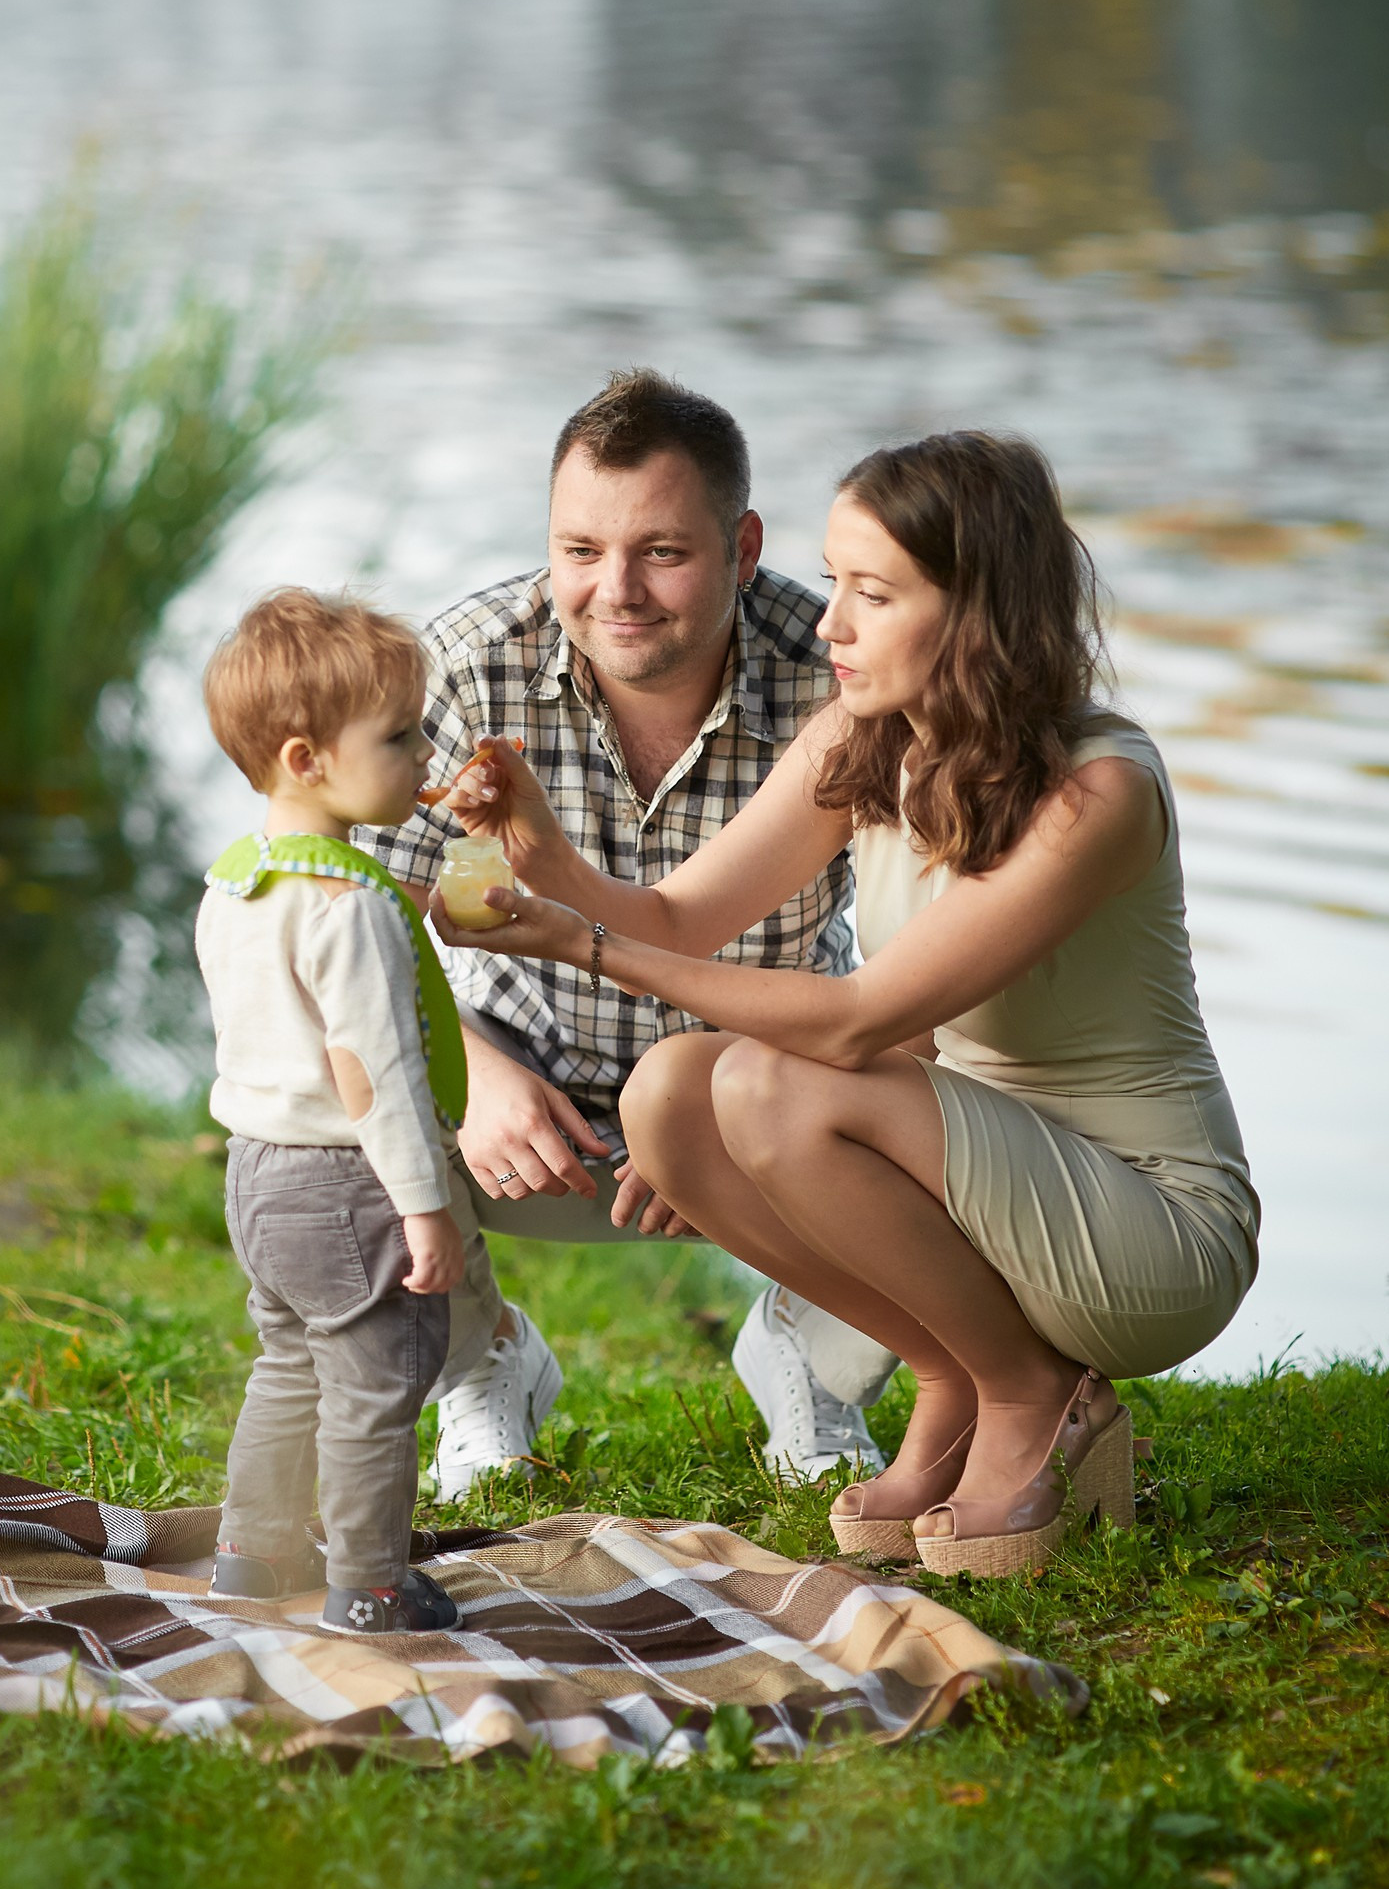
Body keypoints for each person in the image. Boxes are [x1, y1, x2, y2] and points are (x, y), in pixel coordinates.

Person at [431, 430, 1260, 1580]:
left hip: (1141, 1226)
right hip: (966, 1182)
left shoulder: (1097, 792)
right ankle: (952, 1372)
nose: (828, 626)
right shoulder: (867, 739)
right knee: (669, 1093)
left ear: (977, 612)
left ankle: (1027, 1389)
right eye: (834, 584)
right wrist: (544, 856)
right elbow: (675, 916)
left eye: (872, 594)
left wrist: (584, 944)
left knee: (767, 1081)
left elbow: (858, 1021)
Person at [364, 372, 896, 1497]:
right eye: (580, 550)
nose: (616, 592)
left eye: (662, 552)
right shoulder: (466, 662)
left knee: (964, 1084)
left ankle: (814, 1358)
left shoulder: (841, 675)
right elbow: (364, 913)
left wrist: (702, 1102)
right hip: (530, 1094)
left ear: (742, 547)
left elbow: (917, 960)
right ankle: (482, 1361)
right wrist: (478, 1071)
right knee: (331, 1080)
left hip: (765, 1095)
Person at [195, 588, 465, 1635]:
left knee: (289, 1369)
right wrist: (425, 1206)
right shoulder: (349, 909)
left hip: (255, 1172)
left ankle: (252, 1556)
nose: (422, 754)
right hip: (346, 1180)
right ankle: (368, 1585)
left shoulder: (235, 883)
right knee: (375, 1387)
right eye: (398, 737)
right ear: (306, 760)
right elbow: (372, 1073)